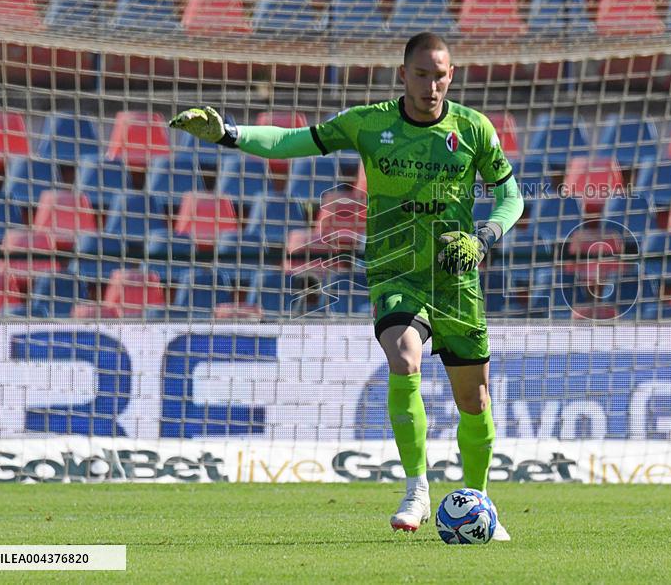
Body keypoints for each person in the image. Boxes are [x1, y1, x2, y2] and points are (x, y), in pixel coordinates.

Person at [170, 32, 523, 541]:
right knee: (403, 357)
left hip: (456, 282)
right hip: (395, 272)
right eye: (421, 74)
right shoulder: (370, 123)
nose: (431, 84)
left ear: (452, 74)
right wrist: (229, 133)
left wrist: (485, 235)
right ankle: (417, 488)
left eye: (440, 74)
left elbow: (511, 196)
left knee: (476, 402)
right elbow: (292, 142)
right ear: (403, 75)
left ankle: (480, 500)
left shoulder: (473, 129)